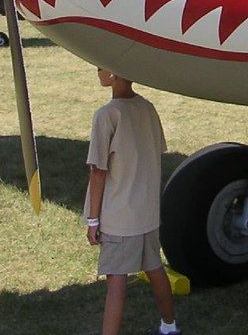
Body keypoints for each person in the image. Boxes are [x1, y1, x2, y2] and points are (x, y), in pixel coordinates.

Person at [85, 68, 180, 335]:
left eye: (101, 67)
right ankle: (170, 325)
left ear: (114, 73)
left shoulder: (106, 115)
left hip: (119, 214)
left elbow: (98, 170)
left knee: (116, 281)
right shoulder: (148, 108)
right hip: (147, 211)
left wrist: (93, 219)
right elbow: (156, 151)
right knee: (154, 268)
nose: (97, 72)